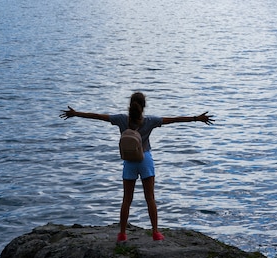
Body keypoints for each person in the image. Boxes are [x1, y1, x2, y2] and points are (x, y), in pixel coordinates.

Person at [59, 92, 214, 243]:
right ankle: (155, 232)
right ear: (144, 106)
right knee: (150, 198)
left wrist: (76, 113)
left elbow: (98, 116)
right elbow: (174, 120)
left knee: (126, 199)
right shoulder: (150, 121)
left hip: (129, 161)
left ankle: (122, 234)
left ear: (130, 105)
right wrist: (196, 118)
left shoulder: (121, 119)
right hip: (145, 159)